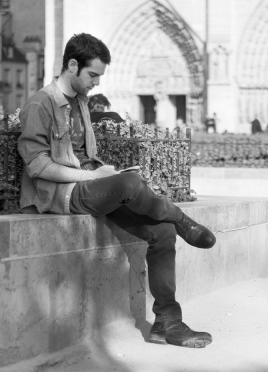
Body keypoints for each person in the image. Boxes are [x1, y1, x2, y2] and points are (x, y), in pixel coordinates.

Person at [17, 33, 215, 348]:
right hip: (62, 195)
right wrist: (94, 176)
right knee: (131, 184)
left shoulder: (80, 102)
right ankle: (181, 219)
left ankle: (168, 323)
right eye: (93, 74)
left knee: (161, 231)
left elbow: (84, 155)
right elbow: (37, 166)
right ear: (72, 65)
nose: (97, 82)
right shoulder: (41, 103)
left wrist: (103, 173)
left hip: (90, 185)